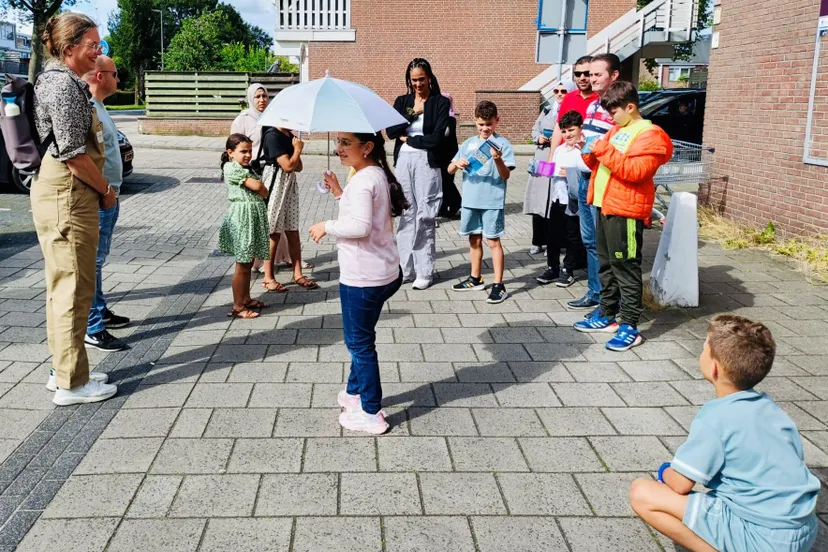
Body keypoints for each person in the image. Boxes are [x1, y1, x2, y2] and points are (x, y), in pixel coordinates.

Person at [630, 314, 820, 552]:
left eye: (703, 349)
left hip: (760, 537)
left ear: (714, 367)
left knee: (642, 492)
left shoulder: (715, 418)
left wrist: (665, 471)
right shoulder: (773, 410)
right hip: (803, 530)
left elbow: (680, 484)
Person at [33, 12, 118, 406]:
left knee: (65, 287)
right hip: (70, 193)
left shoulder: (56, 80)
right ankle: (72, 384)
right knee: (73, 289)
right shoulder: (65, 87)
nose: (98, 52)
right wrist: (105, 191)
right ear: (69, 50)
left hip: (61, 192)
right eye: (92, 46)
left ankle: (65, 370)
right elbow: (72, 154)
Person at [308, 132, 408, 435]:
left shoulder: (365, 179)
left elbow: (360, 226)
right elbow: (367, 215)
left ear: (367, 147)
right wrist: (340, 192)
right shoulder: (374, 173)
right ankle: (354, 392)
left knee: (360, 344)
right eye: (338, 142)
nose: (339, 149)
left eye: (346, 143)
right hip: (384, 271)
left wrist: (326, 225)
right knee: (360, 338)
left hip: (363, 278)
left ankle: (371, 412)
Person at [573, 81, 672, 351]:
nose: (609, 118)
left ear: (630, 107)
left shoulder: (650, 134)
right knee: (606, 265)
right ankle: (607, 315)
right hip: (606, 205)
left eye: (614, 112)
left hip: (626, 211)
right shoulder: (619, 129)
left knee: (626, 267)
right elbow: (604, 161)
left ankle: (630, 324)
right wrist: (588, 152)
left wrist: (602, 150)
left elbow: (635, 171)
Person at [67, 55, 130, 359]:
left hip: (109, 195)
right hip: (99, 197)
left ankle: (100, 311)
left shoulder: (100, 107)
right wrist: (104, 191)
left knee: (98, 260)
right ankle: (93, 328)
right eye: (115, 74)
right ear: (100, 76)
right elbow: (80, 157)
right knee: (92, 263)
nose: (119, 80)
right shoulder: (88, 107)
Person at [561, 53, 622, 312]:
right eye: (588, 74)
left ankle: (609, 300)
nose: (590, 79)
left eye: (597, 74)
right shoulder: (595, 105)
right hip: (587, 177)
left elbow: (612, 147)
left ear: (614, 76)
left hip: (603, 181)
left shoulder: (616, 109)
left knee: (602, 244)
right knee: (589, 241)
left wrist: (588, 146)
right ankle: (596, 292)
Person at [386, 58, 451, 290]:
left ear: (429, 77)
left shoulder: (441, 102)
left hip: (427, 162)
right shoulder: (403, 101)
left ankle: (425, 270)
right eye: (413, 80)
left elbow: (437, 140)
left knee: (425, 214)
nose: (417, 84)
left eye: (421, 79)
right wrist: (413, 113)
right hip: (404, 160)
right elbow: (391, 130)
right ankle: (405, 268)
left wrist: (410, 138)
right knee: (406, 213)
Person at [448, 100, 515, 304]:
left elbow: (506, 175)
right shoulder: (468, 144)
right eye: (481, 124)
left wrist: (497, 160)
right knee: (474, 240)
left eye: (489, 124)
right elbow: (449, 169)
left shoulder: (502, 144)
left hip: (492, 201)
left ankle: (498, 284)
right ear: (475, 122)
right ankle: (475, 278)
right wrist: (456, 164)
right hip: (470, 200)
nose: (485, 128)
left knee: (493, 241)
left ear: (497, 121)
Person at [218, 134, 271, 319]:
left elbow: (263, 189)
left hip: (252, 217)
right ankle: (238, 306)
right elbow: (259, 188)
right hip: (242, 219)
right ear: (230, 153)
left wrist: (260, 187)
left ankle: (246, 298)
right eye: (243, 151)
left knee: (248, 262)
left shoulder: (245, 168)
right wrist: (259, 187)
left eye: (250, 151)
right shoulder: (231, 167)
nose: (248, 155)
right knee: (242, 263)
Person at [259, 126, 318, 292]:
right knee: (273, 232)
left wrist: (296, 150)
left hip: (289, 185)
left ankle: (297, 274)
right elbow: (287, 165)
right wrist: (297, 149)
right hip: (276, 184)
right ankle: (268, 277)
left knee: (293, 230)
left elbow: (298, 167)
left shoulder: (289, 136)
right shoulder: (272, 135)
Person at [535, 110, 588, 288]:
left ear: (581, 128)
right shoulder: (559, 149)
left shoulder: (583, 149)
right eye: (564, 131)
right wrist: (537, 167)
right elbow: (549, 171)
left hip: (572, 201)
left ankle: (568, 269)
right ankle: (553, 267)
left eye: (571, 130)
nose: (567, 135)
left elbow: (587, 172)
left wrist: (570, 173)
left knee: (573, 236)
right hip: (557, 198)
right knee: (552, 235)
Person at [523, 79, 576, 256]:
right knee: (539, 200)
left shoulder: (572, 113)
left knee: (555, 201)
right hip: (543, 158)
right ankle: (538, 241)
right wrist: (538, 138)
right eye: (556, 91)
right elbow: (534, 130)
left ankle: (555, 242)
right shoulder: (546, 110)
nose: (560, 94)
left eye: (564, 91)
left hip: (560, 159)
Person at [438, 91, 461, 219]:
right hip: (445, 152)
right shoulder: (446, 117)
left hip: (448, 153)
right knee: (443, 181)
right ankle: (443, 207)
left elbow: (445, 135)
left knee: (446, 180)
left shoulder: (450, 118)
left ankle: (456, 202)